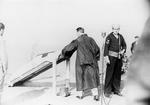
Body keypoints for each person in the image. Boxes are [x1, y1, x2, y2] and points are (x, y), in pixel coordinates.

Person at [57, 27, 100, 101]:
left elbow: (69, 48)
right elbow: (97, 49)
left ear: (79, 32)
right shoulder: (91, 39)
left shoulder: (78, 40)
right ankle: (95, 95)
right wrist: (95, 58)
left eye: (77, 33)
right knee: (92, 78)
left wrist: (63, 53)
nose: (76, 34)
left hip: (81, 62)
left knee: (80, 77)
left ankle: (80, 95)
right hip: (91, 61)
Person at [104, 24, 126, 97]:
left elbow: (124, 45)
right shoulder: (109, 37)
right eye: (114, 29)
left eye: (117, 29)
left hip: (119, 58)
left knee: (117, 74)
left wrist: (123, 50)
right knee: (109, 74)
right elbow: (106, 47)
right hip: (111, 57)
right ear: (112, 29)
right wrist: (106, 57)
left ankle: (116, 90)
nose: (116, 30)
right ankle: (107, 91)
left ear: (119, 29)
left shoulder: (120, 36)